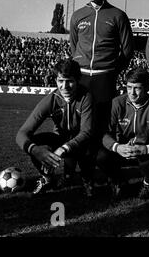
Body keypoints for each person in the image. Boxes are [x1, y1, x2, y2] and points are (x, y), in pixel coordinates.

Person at [70, 0, 135, 180]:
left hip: (104, 79)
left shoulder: (117, 15)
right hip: (81, 79)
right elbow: (74, 47)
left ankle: (112, 175)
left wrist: (112, 72)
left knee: (102, 129)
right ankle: (85, 177)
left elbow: (127, 51)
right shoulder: (78, 15)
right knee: (81, 128)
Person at [15, 59, 94, 196]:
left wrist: (64, 148)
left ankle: (87, 179)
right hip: (61, 139)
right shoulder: (51, 99)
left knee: (92, 151)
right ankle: (47, 178)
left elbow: (86, 132)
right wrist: (35, 150)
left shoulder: (86, 97)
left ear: (78, 80)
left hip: (82, 143)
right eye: (60, 81)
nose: (64, 86)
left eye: (69, 81)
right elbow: (21, 134)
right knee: (36, 141)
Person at [96, 68, 149, 199]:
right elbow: (104, 132)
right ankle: (119, 181)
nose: (132, 93)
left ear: (147, 88)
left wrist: (148, 148)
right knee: (101, 157)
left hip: (145, 151)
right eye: (129, 87)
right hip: (123, 148)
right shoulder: (117, 103)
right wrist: (117, 147)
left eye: (137, 88)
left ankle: (148, 184)